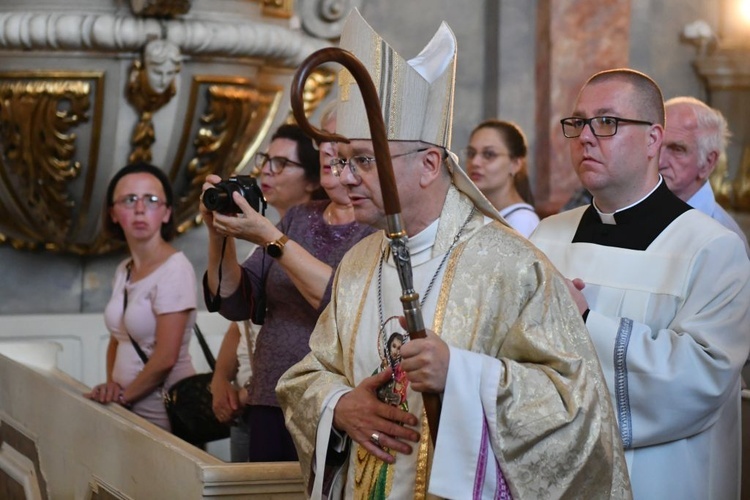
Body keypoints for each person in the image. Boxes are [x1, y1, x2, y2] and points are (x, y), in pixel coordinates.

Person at [277, 10, 630, 499]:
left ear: (428, 164)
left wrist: (461, 376)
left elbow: (577, 406)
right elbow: (309, 372)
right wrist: (339, 405)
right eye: (341, 160)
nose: (346, 176)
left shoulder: (511, 265)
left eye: (363, 160)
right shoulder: (360, 262)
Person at [529, 68, 750, 499]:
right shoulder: (546, 237)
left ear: (653, 140)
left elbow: (702, 381)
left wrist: (586, 321)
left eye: (607, 122)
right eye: (578, 123)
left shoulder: (712, 248)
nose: (586, 138)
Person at [201, 122, 374, 462]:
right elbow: (235, 301)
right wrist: (217, 231)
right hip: (270, 395)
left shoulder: (374, 225)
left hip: (332, 401)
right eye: (320, 140)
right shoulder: (298, 217)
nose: (325, 149)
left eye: (336, 140)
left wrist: (269, 237)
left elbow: (338, 302)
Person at [84, 162, 197, 432]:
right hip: (128, 404)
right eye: (129, 199)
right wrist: (112, 385)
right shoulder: (124, 269)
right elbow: (118, 338)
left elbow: (166, 357)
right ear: (113, 213)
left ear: (167, 213)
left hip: (164, 408)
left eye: (151, 200)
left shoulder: (175, 268)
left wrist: (122, 397)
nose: (139, 208)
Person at [659, 96, 750, 256]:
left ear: (708, 162)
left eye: (677, 149)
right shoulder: (632, 213)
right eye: (656, 144)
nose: (659, 161)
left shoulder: (724, 241)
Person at [464, 119, 540, 237]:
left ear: (515, 164)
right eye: (471, 153)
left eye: (489, 154)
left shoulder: (522, 221)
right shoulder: (475, 215)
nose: (475, 162)